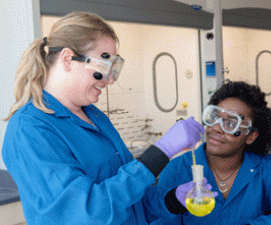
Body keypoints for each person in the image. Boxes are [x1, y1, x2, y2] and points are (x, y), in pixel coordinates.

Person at [1, 11, 209, 224]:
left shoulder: (95, 117)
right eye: (103, 66)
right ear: (67, 59)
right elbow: (85, 214)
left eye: (114, 68)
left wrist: (171, 200)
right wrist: (161, 151)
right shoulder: (30, 129)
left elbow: (129, 201)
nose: (109, 80)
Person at [150, 81, 271, 225]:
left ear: (250, 136)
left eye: (230, 123)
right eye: (213, 117)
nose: (216, 128)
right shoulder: (178, 169)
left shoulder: (267, 168)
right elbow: (159, 219)